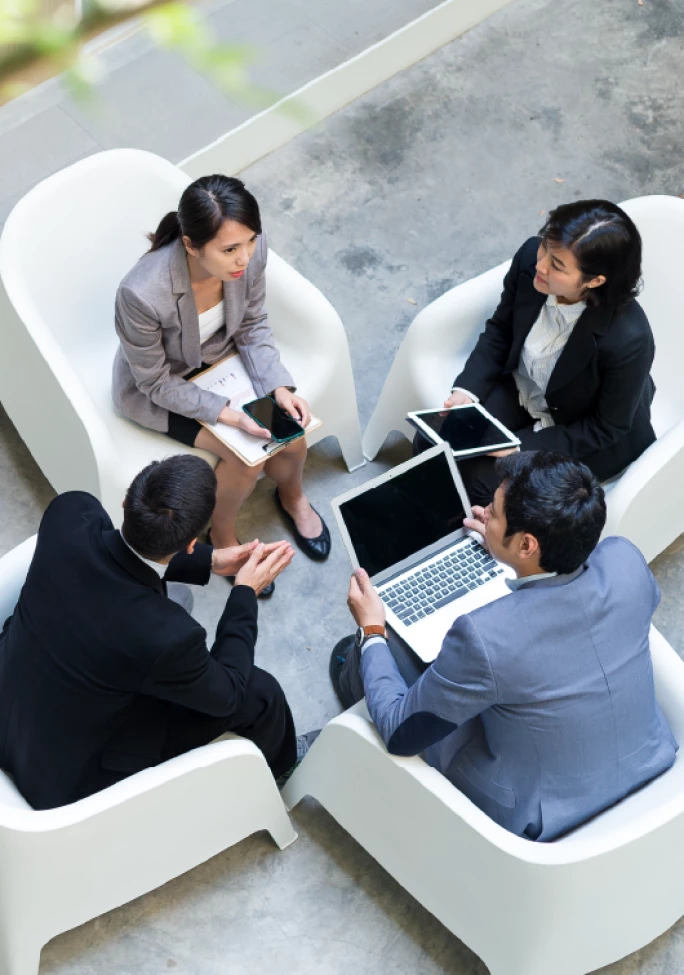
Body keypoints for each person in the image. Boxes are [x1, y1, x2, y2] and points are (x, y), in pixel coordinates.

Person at [330, 451, 677, 841]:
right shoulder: (626, 561)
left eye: (492, 514)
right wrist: (505, 549)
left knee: (388, 652)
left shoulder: (483, 637)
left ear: (528, 544)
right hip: (650, 757)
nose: (485, 516)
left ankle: (356, 666)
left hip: (542, 814)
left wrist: (373, 630)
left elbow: (400, 733)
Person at [0, 455, 318, 811]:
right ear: (190, 543)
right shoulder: (169, 637)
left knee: (176, 597)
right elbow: (228, 693)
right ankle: (286, 766)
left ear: (125, 502)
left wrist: (209, 561)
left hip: (12, 692)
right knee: (260, 693)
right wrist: (245, 593)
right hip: (61, 776)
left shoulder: (70, 512)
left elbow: (113, 543)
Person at [112, 174, 330, 599]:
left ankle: (293, 496)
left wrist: (279, 387)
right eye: (230, 249)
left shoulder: (249, 253)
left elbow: (251, 324)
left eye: (250, 241)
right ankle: (224, 534)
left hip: (222, 360)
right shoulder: (141, 294)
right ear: (191, 245)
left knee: (290, 431)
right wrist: (230, 414)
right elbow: (154, 380)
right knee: (243, 458)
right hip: (165, 385)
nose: (244, 257)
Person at [417, 200, 655, 506]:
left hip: (579, 427)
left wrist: (521, 446)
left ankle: (466, 540)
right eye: (545, 247)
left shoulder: (629, 339)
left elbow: (605, 427)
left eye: (557, 265)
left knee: (486, 485)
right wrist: (468, 390)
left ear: (594, 281)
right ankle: (425, 518)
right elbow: (501, 329)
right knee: (432, 440)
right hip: (525, 388)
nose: (540, 265)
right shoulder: (531, 258)